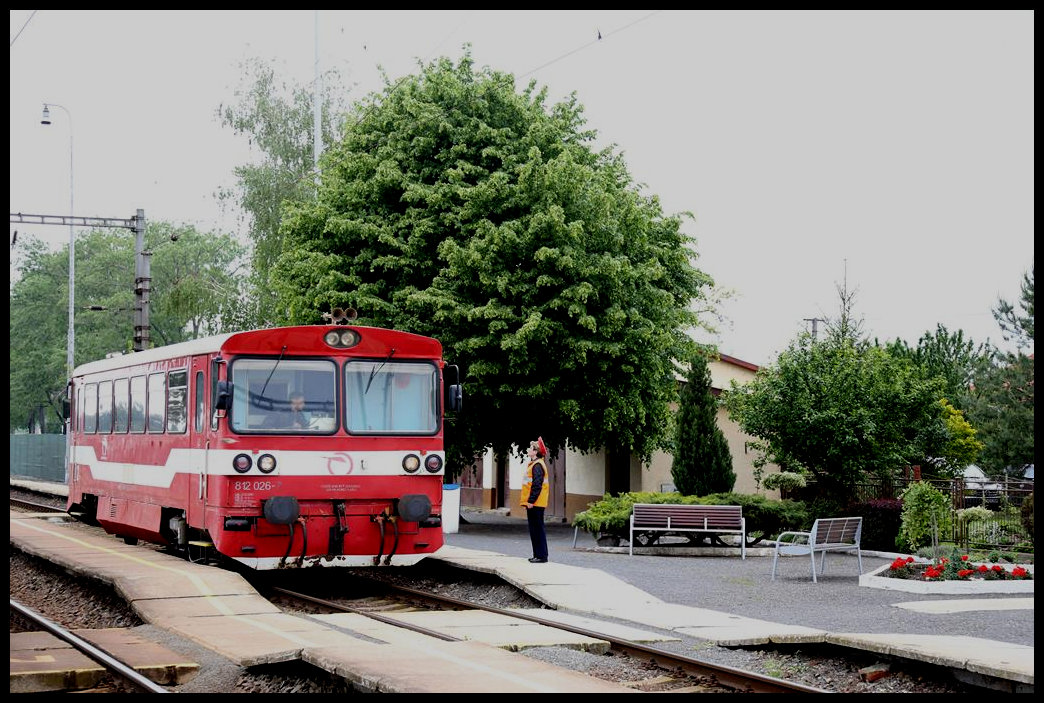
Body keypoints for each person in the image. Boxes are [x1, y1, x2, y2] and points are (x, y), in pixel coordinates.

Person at [521, 436, 550, 563]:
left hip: (535, 503)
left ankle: (541, 556)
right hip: (535, 502)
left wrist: (531, 501)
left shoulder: (537, 465)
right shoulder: (534, 464)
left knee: (537, 529)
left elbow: (537, 485)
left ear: (535, 452)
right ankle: (537, 554)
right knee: (535, 529)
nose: (528, 450)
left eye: (530, 448)